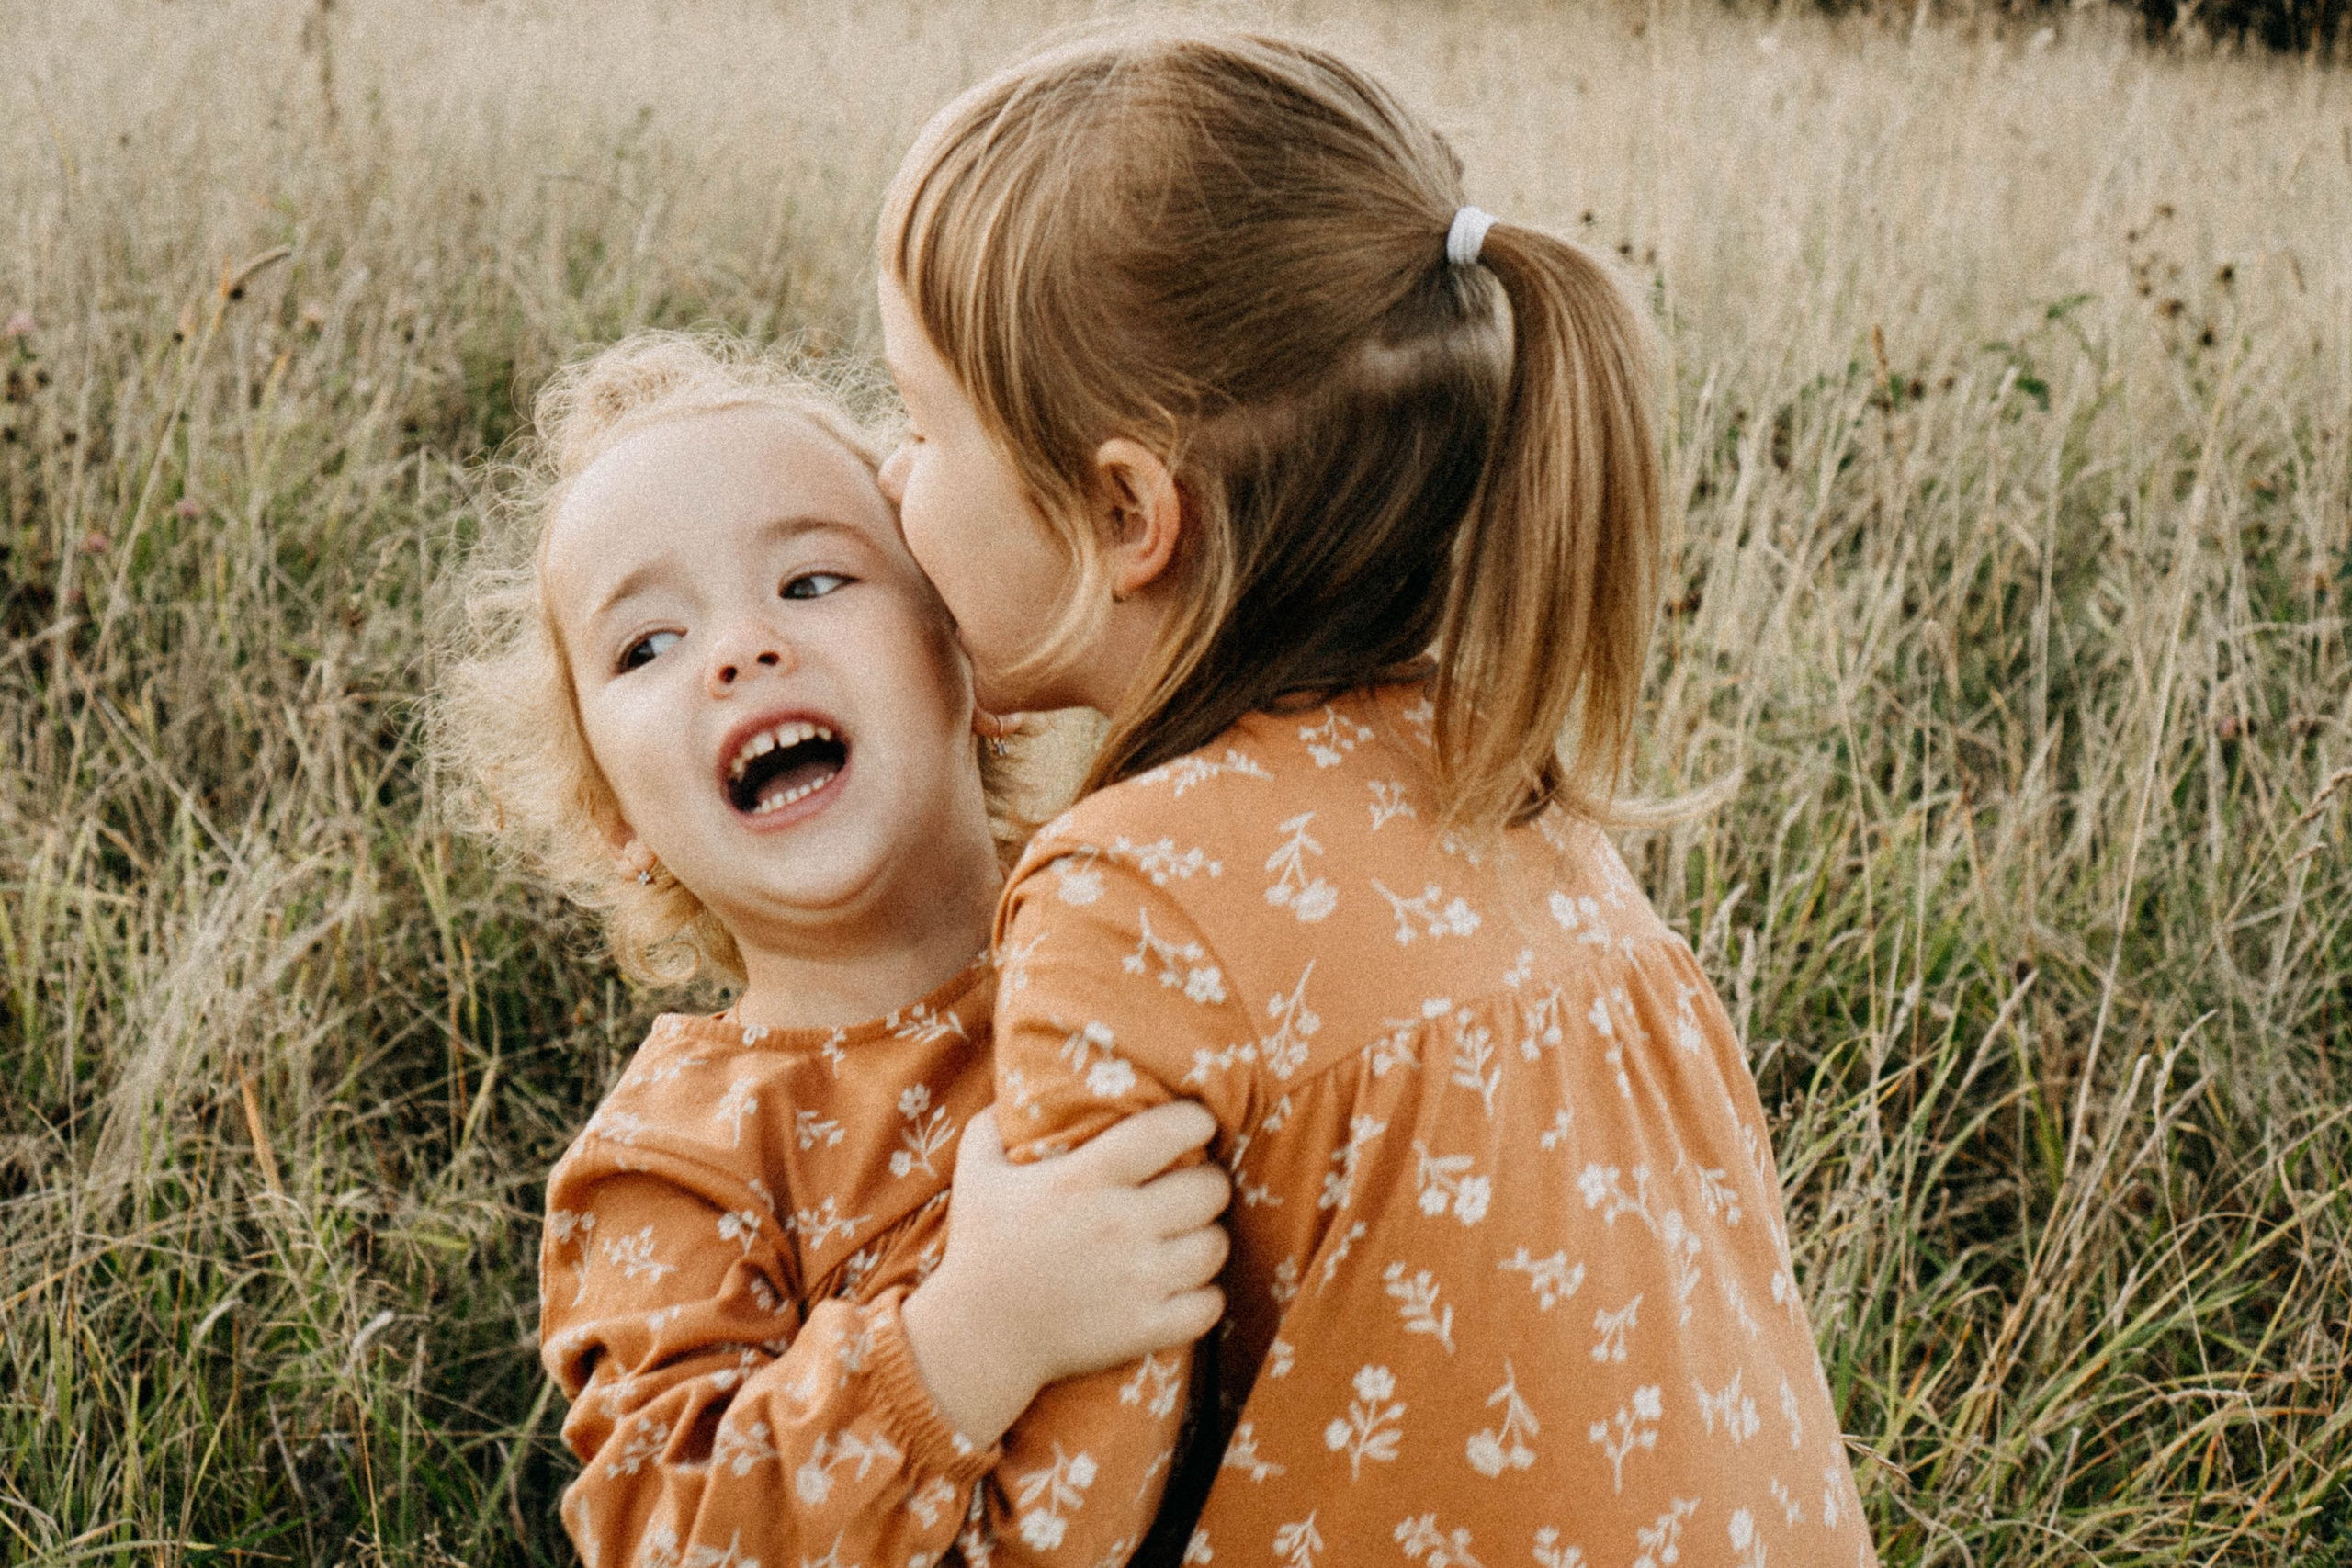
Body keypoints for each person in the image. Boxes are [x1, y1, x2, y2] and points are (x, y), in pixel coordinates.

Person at [876, 28, 1880, 1566]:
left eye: (924, 421)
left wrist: (902, 1362)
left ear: (1128, 513)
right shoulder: (1506, 783)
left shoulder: (1132, 897)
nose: (890, 479)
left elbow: (1053, 1537)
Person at [440, 333, 1232, 1567]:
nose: (740, 650)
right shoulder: (678, 1162)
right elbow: (675, 1538)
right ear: (614, 816)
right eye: (646, 646)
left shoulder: (1151, 913)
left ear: (966, 647)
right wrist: (973, 1339)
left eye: (811, 583)